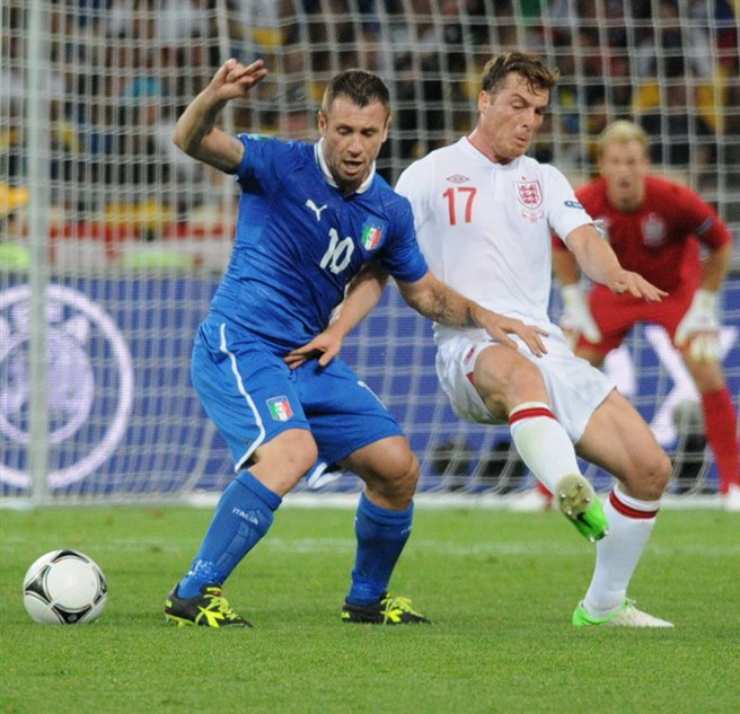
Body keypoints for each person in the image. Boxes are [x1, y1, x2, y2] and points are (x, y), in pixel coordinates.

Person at [164, 58, 547, 628]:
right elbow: (190, 139)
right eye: (343, 131)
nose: (354, 145)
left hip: (308, 355)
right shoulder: (279, 164)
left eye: (367, 133)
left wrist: (485, 316)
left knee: (397, 466)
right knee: (290, 454)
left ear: (385, 131)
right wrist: (214, 97)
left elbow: (422, 292)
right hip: (241, 343)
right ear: (322, 124)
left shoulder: (387, 211)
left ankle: (366, 599)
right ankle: (193, 592)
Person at [303, 52, 675, 627]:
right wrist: (338, 329)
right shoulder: (428, 174)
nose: (528, 121)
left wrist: (614, 271)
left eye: (539, 112)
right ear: (485, 101)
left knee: (650, 468)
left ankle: (603, 606)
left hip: (542, 344)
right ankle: (569, 489)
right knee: (518, 372)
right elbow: (378, 269)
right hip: (467, 348)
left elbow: (584, 242)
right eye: (517, 106)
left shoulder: (544, 179)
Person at [553, 120, 739, 510]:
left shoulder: (674, 199)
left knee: (705, 368)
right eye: (617, 161)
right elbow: (559, 242)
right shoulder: (585, 200)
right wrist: (573, 300)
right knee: (571, 373)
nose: (625, 171)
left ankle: (734, 484)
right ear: (602, 164)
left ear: (646, 164)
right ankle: (547, 491)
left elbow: (720, 244)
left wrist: (704, 306)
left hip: (674, 290)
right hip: (617, 291)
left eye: (633, 161)